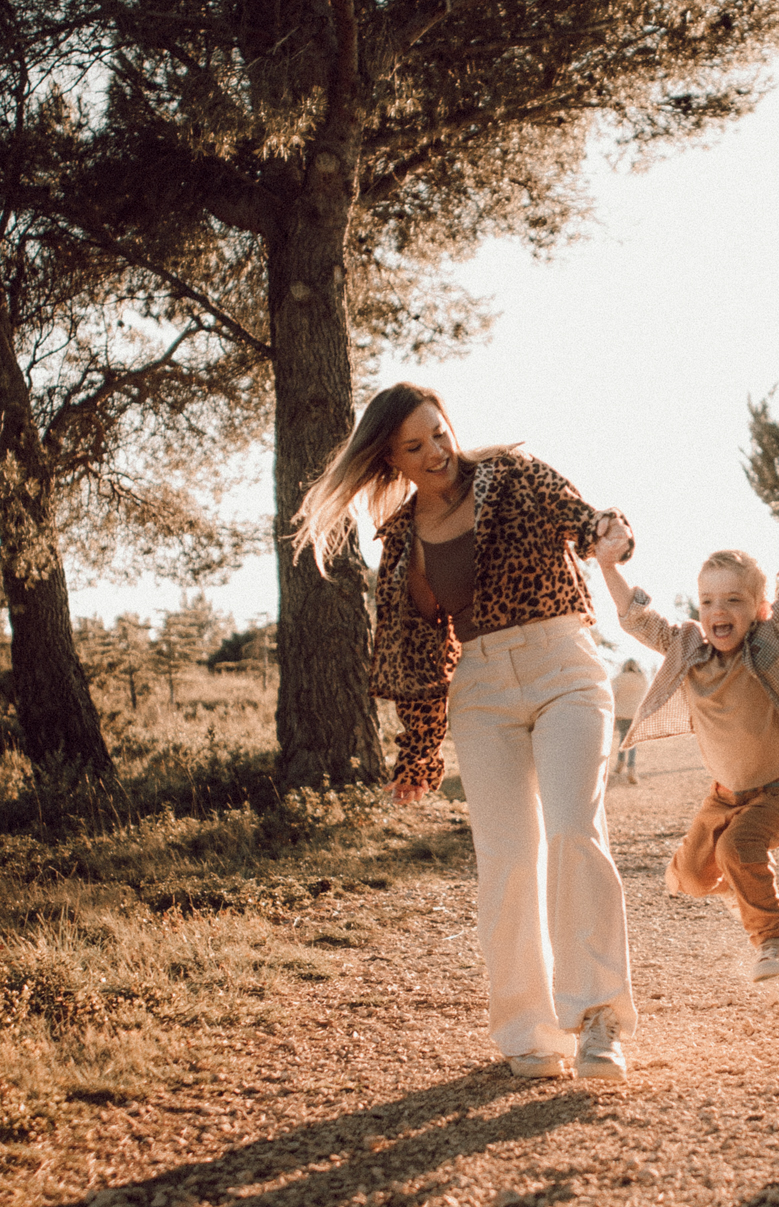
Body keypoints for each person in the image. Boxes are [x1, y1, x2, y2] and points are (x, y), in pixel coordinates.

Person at [290, 383, 638, 1081]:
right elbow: (418, 654)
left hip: (562, 665)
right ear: (390, 460)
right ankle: (528, 1032)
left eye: (439, 433)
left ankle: (599, 1018)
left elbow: (582, 517)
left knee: (573, 829)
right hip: (480, 689)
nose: (436, 452)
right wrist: (419, 751)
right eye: (414, 446)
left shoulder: (512, 474)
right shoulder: (401, 540)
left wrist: (609, 531)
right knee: (507, 860)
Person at [595, 516, 779, 982]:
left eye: (733, 600)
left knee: (737, 849)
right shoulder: (688, 650)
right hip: (722, 796)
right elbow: (638, 619)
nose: (717, 610)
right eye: (707, 601)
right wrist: (608, 567)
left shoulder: (769, 643)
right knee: (688, 878)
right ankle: (736, 888)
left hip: (774, 792)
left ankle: (774, 942)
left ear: (759, 609)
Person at [610, 659, 650, 783]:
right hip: (635, 714)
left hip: (621, 714)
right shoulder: (642, 679)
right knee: (632, 740)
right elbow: (645, 695)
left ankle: (620, 764)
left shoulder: (618, 678)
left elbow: (613, 694)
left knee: (623, 738)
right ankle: (631, 768)